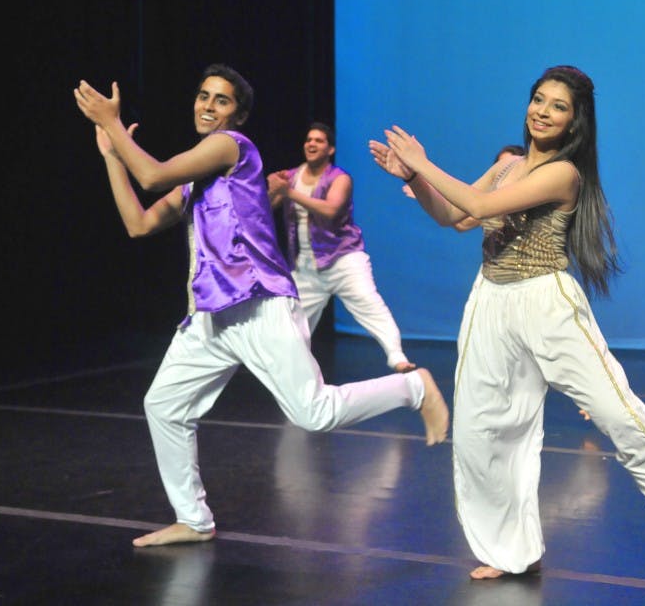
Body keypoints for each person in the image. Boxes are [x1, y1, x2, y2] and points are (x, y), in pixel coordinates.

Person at [73, 63, 448, 548]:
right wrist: (110, 155)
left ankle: (413, 387)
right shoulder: (192, 182)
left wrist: (113, 124)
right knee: (163, 406)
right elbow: (138, 224)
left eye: (221, 100)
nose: (207, 105)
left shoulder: (233, 147)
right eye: (203, 95)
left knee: (314, 413)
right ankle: (194, 519)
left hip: (258, 302)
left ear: (238, 115)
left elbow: (150, 174)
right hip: (210, 316)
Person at [368, 65, 645, 583]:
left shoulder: (564, 173)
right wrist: (414, 178)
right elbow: (457, 218)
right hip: (491, 302)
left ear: (575, 122)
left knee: (614, 412)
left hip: (545, 304)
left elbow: (479, 204)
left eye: (558, 106)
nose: (543, 111)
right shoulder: (508, 163)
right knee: (481, 431)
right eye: (538, 99)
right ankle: (513, 551)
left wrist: (424, 162)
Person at [266, 123, 415, 373]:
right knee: (292, 323)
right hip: (306, 267)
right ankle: (289, 371)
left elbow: (331, 210)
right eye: (309, 140)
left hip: (343, 259)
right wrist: (272, 189)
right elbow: (266, 208)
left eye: (319, 141)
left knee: (369, 303)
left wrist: (288, 192)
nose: (311, 144)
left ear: (330, 149)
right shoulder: (290, 177)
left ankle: (396, 356)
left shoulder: (340, 178)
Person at [402, 144, 525, 233]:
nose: (503, 169)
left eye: (510, 164)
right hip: (491, 265)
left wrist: (420, 165)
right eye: (500, 164)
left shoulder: (523, 198)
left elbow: (466, 220)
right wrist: (421, 187)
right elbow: (455, 219)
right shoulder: (489, 196)